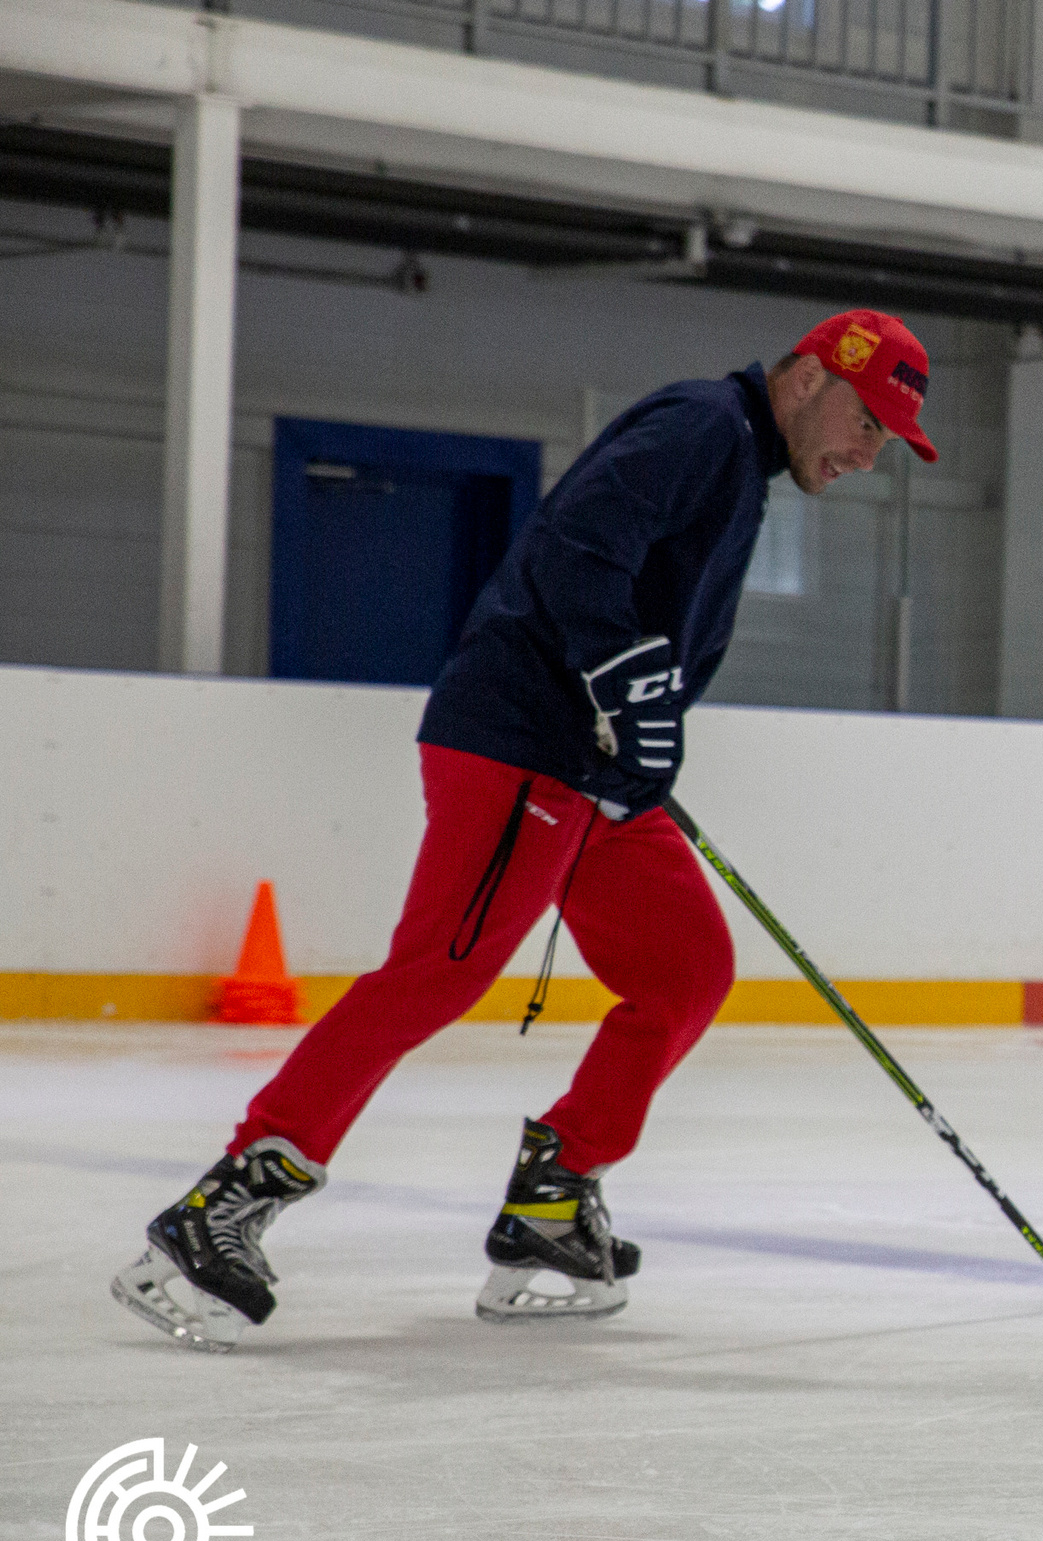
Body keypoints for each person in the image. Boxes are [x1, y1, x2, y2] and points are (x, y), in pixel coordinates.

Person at [113, 310, 939, 1351]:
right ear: (812, 378)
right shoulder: (705, 426)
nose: (869, 455)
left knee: (685, 968)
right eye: (868, 424)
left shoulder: (741, 463)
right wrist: (618, 671)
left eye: (886, 439)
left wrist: (644, 722)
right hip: (523, 745)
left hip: (595, 770)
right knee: (440, 970)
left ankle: (554, 1196)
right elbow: (577, 546)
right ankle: (228, 1200)